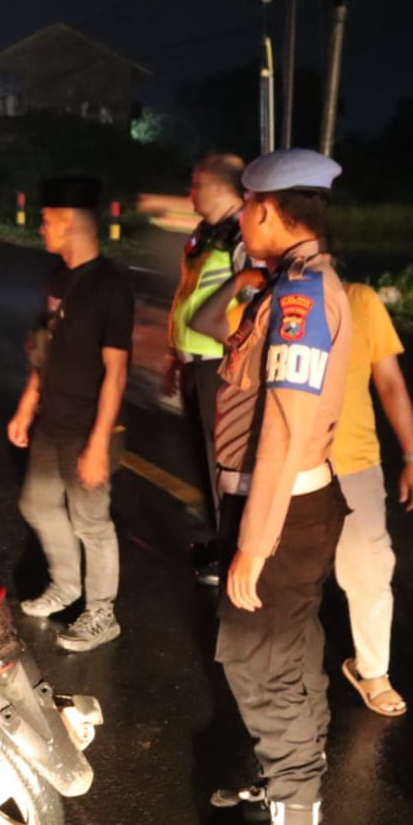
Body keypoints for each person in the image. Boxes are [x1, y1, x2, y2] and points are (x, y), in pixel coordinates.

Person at [198, 149, 352, 825]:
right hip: (287, 505)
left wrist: (253, 546)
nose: (239, 220)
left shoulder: (300, 300)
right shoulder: (294, 284)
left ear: (264, 209)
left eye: (245, 209)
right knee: (289, 657)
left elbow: (285, 429)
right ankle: (290, 792)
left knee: (260, 664)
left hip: (281, 510)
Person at [9, 175, 134, 653]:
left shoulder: (110, 286)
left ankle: (103, 612)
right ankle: (66, 584)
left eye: (46, 221)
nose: (41, 228)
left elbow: (116, 372)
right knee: (37, 504)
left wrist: (99, 442)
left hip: (88, 426)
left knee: (91, 523)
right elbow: (45, 349)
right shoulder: (58, 278)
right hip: (52, 421)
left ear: (69, 223)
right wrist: (27, 405)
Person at [331, 282, 413, 717]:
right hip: (286, 465)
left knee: (370, 568)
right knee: (282, 576)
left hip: (353, 462)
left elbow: (389, 382)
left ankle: (372, 670)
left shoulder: (360, 301)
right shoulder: (268, 298)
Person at [162, 152, 249, 586]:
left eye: (196, 183)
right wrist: (173, 355)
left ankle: (234, 553)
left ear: (218, 186)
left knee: (224, 466)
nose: (190, 192)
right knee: (204, 462)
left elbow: (253, 306)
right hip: (194, 363)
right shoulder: (207, 233)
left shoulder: (243, 237)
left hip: (221, 366)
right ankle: (220, 542)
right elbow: (187, 294)